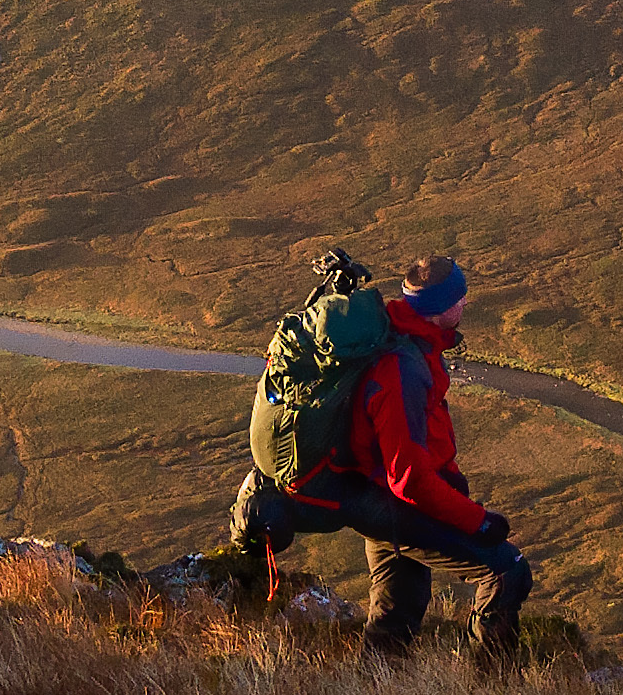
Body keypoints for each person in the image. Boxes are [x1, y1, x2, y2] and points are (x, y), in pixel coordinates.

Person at [223, 252, 536, 660]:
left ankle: (376, 692)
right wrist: (479, 522)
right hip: (384, 499)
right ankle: (497, 691)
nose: (465, 304)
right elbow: (408, 478)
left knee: (400, 604)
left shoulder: (401, 336)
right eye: (459, 297)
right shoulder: (401, 368)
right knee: (506, 573)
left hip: (371, 489)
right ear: (440, 307)